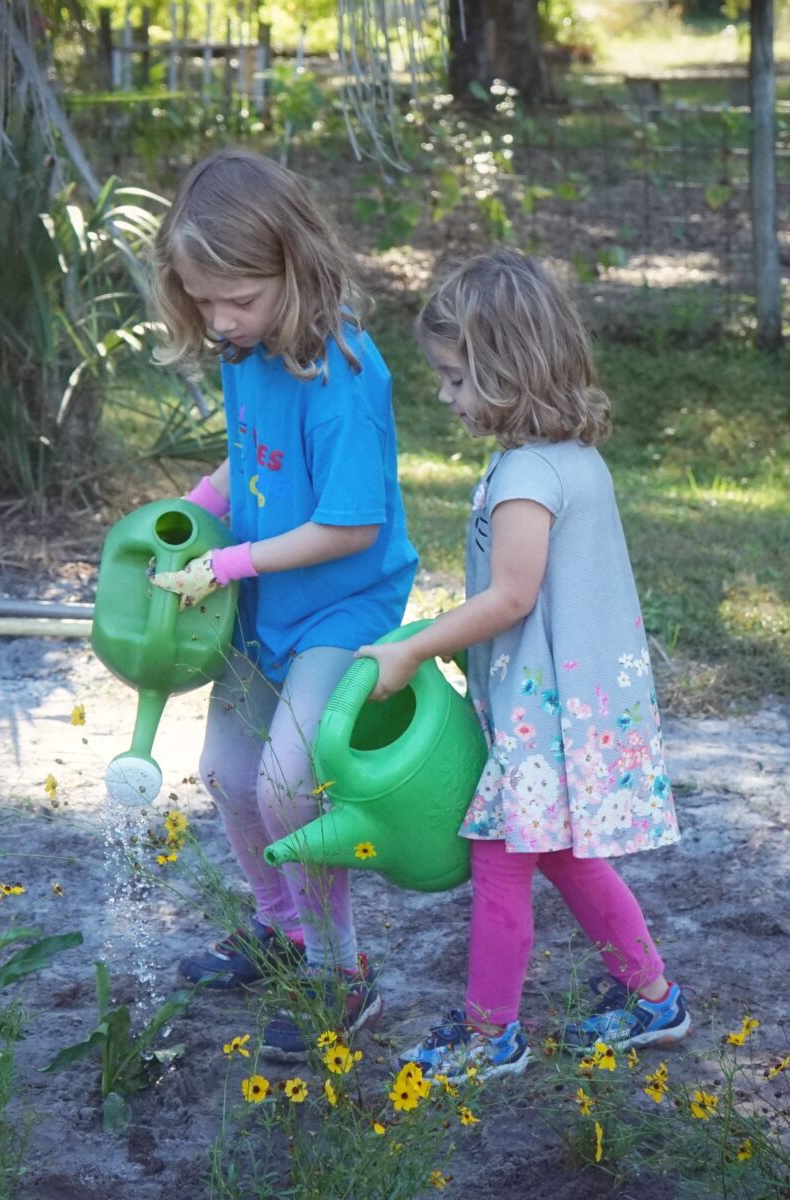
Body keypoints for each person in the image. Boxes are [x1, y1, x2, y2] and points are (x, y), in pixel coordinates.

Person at [358, 246, 690, 1079]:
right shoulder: (573, 460)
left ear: (507, 368)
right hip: (571, 710)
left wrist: (409, 646)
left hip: (544, 719)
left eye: (455, 377)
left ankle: (487, 1035)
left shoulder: (526, 475)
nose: (446, 396)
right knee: (566, 855)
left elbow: (509, 598)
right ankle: (655, 1001)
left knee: (498, 863)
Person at [147, 150, 418, 1058]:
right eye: (203, 301)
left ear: (295, 267)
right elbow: (256, 455)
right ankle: (281, 931)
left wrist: (227, 564)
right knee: (227, 774)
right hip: (268, 594)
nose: (220, 321)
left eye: (239, 299)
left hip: (344, 606)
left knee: (289, 786)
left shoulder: (343, 375)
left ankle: (343, 970)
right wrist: (200, 507)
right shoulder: (245, 349)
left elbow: (347, 527)